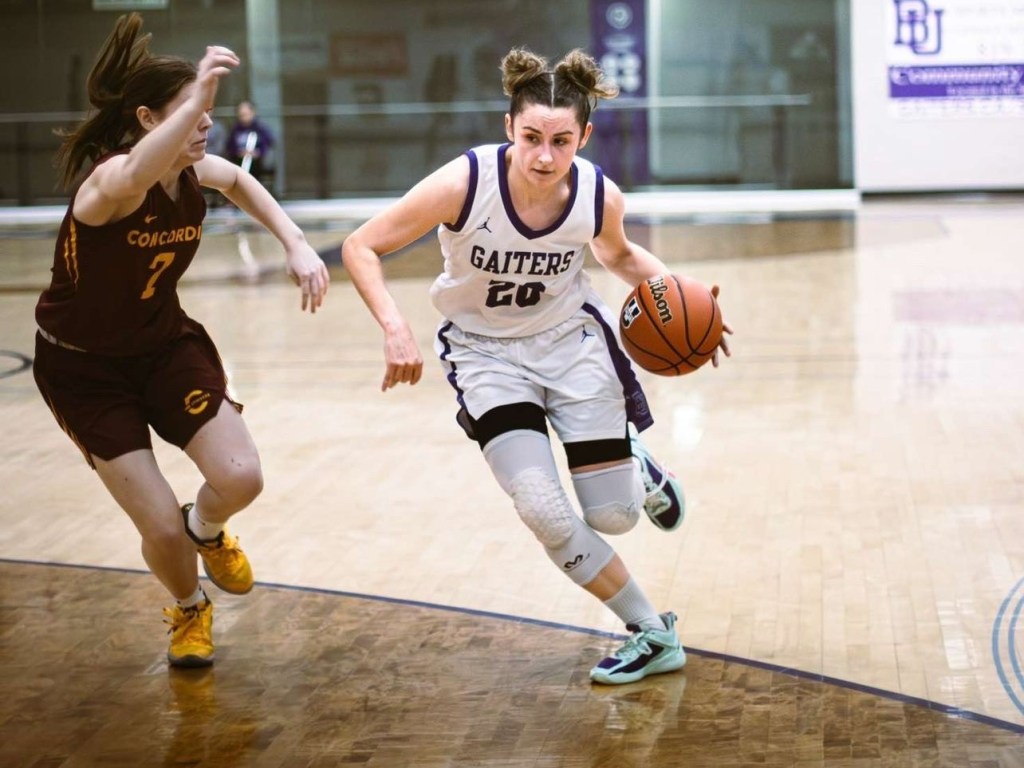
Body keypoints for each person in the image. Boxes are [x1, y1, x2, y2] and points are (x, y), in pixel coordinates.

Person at [342, 48, 731, 684]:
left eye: (560, 140)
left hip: (571, 345)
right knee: (544, 510)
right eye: (530, 138)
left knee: (614, 517)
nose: (544, 156)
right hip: (485, 355)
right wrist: (394, 326)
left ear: (584, 136)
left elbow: (621, 257)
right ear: (508, 129)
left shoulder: (599, 194)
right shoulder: (463, 184)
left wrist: (690, 303)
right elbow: (362, 245)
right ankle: (651, 632)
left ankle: (637, 467)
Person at [33, 13, 330, 668]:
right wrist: (196, 94)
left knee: (241, 476)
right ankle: (190, 610)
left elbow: (243, 180)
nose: (205, 124)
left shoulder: (193, 172)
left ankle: (209, 527)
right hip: (84, 371)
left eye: (206, 113)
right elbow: (138, 168)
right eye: (190, 113)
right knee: (158, 525)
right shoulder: (109, 186)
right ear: (146, 119)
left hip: (163, 347)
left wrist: (297, 242)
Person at [225, 99, 275, 188]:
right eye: (241, 115)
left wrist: (257, 153)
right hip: (239, 161)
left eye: (246, 114)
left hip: (257, 163)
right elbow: (230, 146)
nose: (243, 117)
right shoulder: (235, 129)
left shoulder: (260, 128)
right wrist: (239, 152)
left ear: (253, 113)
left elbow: (267, 143)